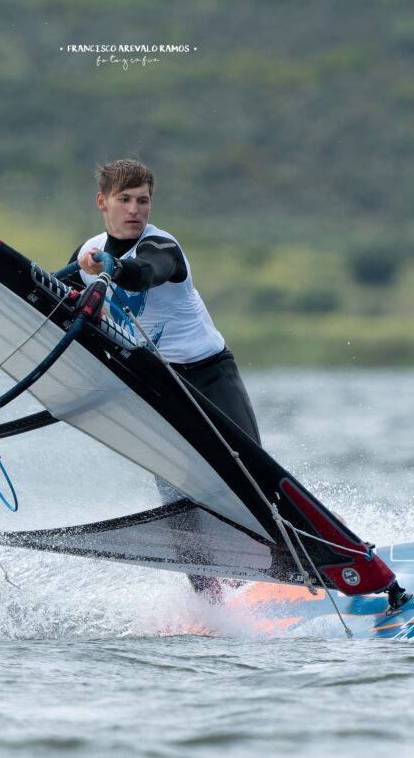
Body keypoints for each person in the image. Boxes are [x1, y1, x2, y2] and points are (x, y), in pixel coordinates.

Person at [66, 158, 261, 600]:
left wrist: (104, 266)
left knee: (247, 473)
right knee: (178, 502)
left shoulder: (162, 247)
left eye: (143, 201)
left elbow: (141, 273)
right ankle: (209, 603)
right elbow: (54, 290)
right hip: (158, 387)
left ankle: (288, 563)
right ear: (102, 202)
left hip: (209, 374)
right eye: (125, 200)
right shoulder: (89, 252)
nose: (135, 210)